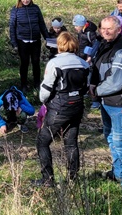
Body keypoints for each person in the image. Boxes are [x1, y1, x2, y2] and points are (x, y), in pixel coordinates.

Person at [90, 15, 122, 190]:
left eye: (109, 29)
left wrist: (95, 91)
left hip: (120, 102)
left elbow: (117, 81)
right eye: (102, 28)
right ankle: (117, 173)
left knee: (121, 141)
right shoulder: (105, 44)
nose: (105, 31)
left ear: (118, 30)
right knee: (111, 138)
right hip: (106, 101)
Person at [35, 32, 90, 187]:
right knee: (71, 143)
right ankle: (73, 178)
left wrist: (43, 100)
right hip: (77, 106)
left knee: (42, 142)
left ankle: (47, 179)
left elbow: (45, 90)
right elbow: (86, 87)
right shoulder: (83, 64)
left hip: (59, 107)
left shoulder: (54, 63)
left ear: (59, 45)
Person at [8, 0, 50, 91]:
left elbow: (41, 24)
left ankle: (37, 83)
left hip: (35, 40)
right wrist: (14, 42)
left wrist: (47, 38)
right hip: (22, 41)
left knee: (36, 62)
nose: (25, 0)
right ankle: (23, 84)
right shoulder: (16, 10)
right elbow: (12, 27)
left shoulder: (35, 8)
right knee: (24, 63)